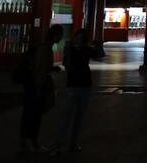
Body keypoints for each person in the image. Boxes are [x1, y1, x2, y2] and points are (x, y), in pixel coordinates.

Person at [18, 24, 62, 154]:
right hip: (36, 86)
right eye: (59, 35)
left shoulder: (44, 47)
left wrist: (52, 69)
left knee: (30, 114)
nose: (60, 38)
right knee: (33, 115)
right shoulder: (45, 49)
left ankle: (27, 141)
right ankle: (31, 142)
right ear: (55, 35)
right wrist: (39, 88)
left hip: (33, 85)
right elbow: (40, 70)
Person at [54, 28, 94, 155]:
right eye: (77, 37)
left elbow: (98, 54)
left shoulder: (85, 49)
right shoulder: (72, 49)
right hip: (75, 84)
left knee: (78, 117)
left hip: (83, 84)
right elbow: (67, 64)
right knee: (68, 116)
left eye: (80, 37)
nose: (78, 39)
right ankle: (59, 144)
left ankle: (73, 143)